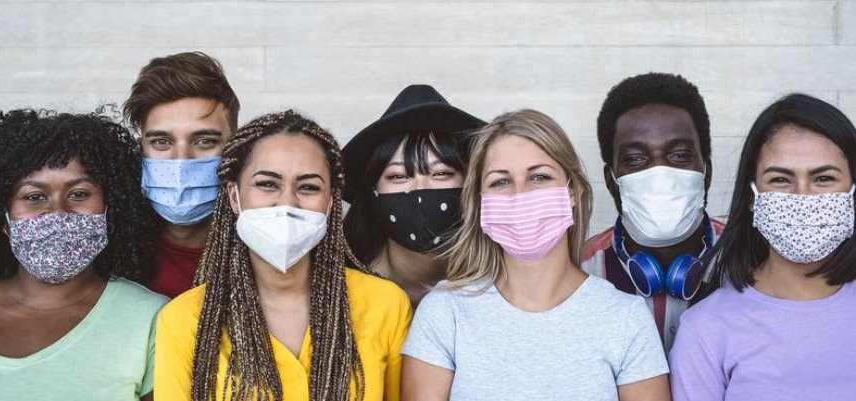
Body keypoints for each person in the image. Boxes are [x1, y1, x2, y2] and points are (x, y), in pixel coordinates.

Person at [402, 109, 669, 401]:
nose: (520, 195)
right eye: (500, 181)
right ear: (480, 202)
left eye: (539, 177)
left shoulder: (626, 318)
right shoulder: (444, 312)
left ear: (574, 191)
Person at [154, 110, 412, 401]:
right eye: (267, 184)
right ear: (234, 196)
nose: (287, 202)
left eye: (308, 187)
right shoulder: (184, 320)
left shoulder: (386, 304)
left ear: (330, 203)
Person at [669, 94, 856, 400]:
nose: (802, 198)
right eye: (781, 179)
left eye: (823, 178)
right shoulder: (706, 330)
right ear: (752, 198)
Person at [0, 109, 167, 400]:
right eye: (34, 197)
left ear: (111, 209)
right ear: (4, 218)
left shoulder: (153, 319)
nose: (58, 212)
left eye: (79, 194)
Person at [581, 72, 725, 351]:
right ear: (611, 181)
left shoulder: (750, 262)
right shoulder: (580, 272)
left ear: (707, 172)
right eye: (635, 159)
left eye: (680, 155)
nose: (659, 174)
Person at [343, 84, 484, 306]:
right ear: (373, 191)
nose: (420, 189)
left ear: (470, 184)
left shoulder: (494, 284)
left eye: (441, 173)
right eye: (398, 176)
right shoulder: (343, 289)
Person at [123, 51, 240, 298]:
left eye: (205, 141)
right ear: (141, 149)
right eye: (162, 141)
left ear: (234, 147)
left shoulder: (262, 250)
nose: (181, 159)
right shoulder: (112, 253)